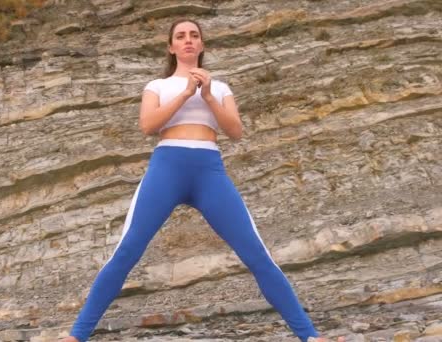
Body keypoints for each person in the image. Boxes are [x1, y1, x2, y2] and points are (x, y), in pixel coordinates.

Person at [60, 18, 344, 342]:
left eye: (194, 35)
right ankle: (76, 336)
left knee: (256, 253)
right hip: (166, 168)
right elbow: (147, 126)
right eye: (180, 36)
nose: (188, 40)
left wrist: (207, 95)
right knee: (127, 251)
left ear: (202, 44)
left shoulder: (220, 87)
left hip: (209, 172)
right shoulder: (157, 86)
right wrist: (184, 94)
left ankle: (310, 336)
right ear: (171, 47)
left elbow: (235, 132)